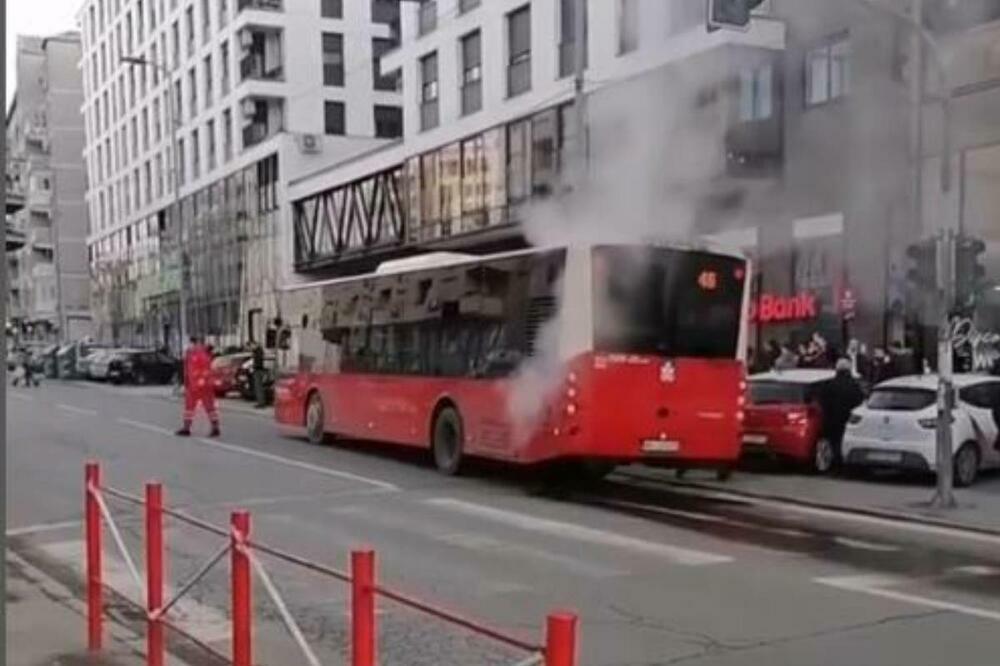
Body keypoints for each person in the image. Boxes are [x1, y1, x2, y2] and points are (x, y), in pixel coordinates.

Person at [820, 358, 865, 467]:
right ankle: (845, 464)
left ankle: (835, 464)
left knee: (834, 441)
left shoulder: (829, 384)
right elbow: (859, 401)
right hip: (848, 418)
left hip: (832, 419)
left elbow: (823, 401)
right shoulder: (854, 385)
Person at [176, 336, 220, 437]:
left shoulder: (196, 353)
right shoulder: (197, 353)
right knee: (207, 407)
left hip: (197, 385)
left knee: (193, 407)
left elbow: (194, 370)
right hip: (201, 384)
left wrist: (192, 381)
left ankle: (188, 428)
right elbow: (188, 370)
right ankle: (214, 427)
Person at [251, 341, 267, 408]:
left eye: (252, 345)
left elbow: (258, 362)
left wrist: (253, 367)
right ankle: (261, 402)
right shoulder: (259, 351)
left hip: (258, 371)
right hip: (259, 370)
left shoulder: (258, 352)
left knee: (258, 387)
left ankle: (261, 403)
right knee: (259, 388)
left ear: (255, 345)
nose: (252, 347)